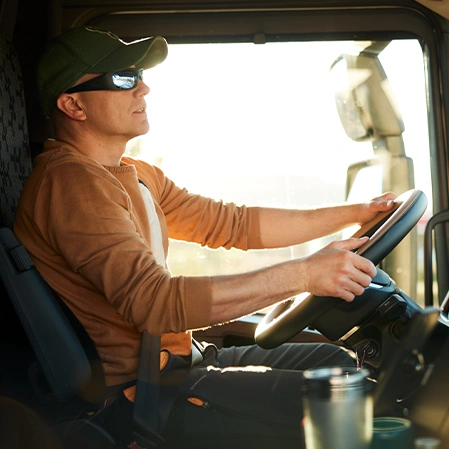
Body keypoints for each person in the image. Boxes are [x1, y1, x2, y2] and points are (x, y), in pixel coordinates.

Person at [13, 25, 397, 449]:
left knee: (340, 366)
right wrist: (304, 275)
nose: (143, 89)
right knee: (356, 400)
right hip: (144, 395)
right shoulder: (70, 183)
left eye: (138, 75)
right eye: (123, 79)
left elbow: (232, 224)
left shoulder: (134, 174)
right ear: (73, 105)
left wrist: (359, 213)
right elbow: (154, 304)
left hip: (181, 364)